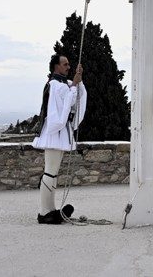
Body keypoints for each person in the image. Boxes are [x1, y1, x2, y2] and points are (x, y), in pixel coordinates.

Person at [33, 53, 87, 224]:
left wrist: (78, 80)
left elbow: (76, 94)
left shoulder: (63, 84)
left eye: (69, 64)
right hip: (54, 132)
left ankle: (50, 209)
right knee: (50, 171)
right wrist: (75, 83)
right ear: (56, 66)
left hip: (58, 132)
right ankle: (44, 212)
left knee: (53, 172)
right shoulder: (55, 84)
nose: (68, 67)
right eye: (65, 64)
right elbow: (68, 102)